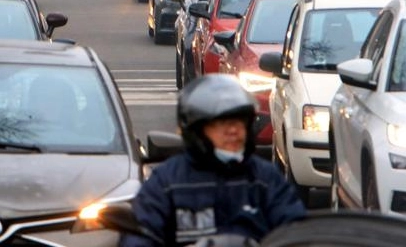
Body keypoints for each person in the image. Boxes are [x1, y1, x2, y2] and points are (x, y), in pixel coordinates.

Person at [120, 74, 306, 247]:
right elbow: (140, 236)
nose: (233, 131)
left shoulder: (265, 179)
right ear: (196, 131)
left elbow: (297, 232)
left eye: (239, 122)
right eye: (221, 123)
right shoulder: (166, 183)